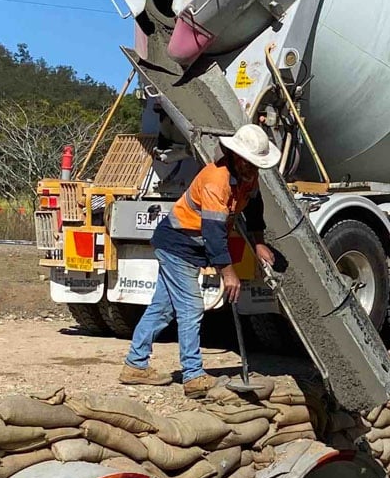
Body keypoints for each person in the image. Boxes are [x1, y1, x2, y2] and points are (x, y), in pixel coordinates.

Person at [119, 123, 279, 397]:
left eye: (256, 164)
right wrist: (228, 273)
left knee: (162, 309)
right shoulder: (216, 180)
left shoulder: (248, 177)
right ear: (235, 156)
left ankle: (135, 364)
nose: (252, 169)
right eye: (248, 162)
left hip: (189, 247)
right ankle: (193, 376)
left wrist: (259, 242)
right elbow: (214, 234)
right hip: (177, 244)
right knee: (191, 308)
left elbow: (254, 207)